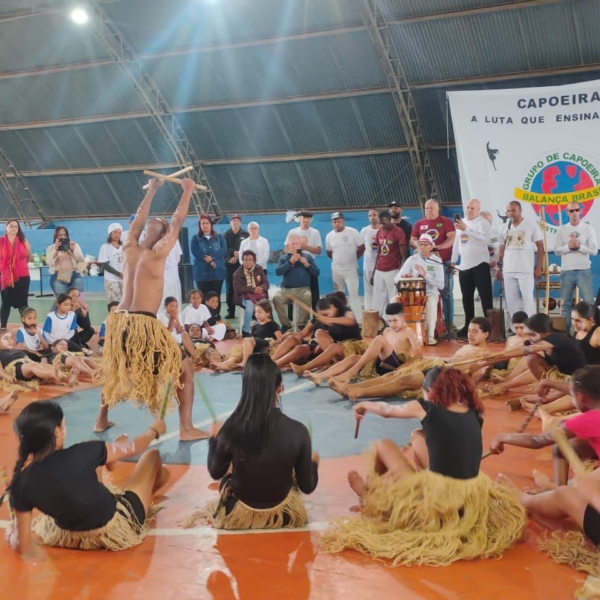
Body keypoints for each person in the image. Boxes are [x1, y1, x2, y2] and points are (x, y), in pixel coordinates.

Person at [321, 367, 526, 566]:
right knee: (417, 436)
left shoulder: (428, 407)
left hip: (440, 502)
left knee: (383, 446)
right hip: (468, 502)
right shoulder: (474, 412)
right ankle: (411, 488)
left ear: (430, 392)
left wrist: (364, 405)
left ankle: (371, 498)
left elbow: (388, 411)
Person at [95, 178, 207, 441]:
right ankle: (186, 429)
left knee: (115, 366)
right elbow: (177, 221)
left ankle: (101, 419)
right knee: (186, 368)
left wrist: (152, 191)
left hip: (118, 321)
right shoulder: (159, 253)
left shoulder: (128, 248)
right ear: (164, 236)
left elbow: (138, 219)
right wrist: (187, 191)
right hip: (142, 325)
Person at [2, 401, 169, 553]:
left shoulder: (20, 483)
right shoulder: (84, 452)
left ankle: (113, 465)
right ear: (57, 432)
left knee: (92, 458)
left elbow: (22, 545)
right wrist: (153, 431)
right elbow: (133, 447)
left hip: (66, 535)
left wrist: (11, 534)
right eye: (63, 426)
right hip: (112, 530)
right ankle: (147, 492)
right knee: (152, 456)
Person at [199, 354, 318, 529]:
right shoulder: (299, 431)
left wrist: (214, 440)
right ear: (280, 387)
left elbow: (216, 472)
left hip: (238, 513)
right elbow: (307, 486)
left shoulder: (231, 428)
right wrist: (313, 463)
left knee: (227, 475)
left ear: (246, 387)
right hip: (283, 514)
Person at [328, 317, 493, 402]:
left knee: (403, 381)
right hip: (439, 366)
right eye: (469, 330)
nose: (470, 334)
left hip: (447, 376)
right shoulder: (469, 347)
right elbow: (451, 360)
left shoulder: (485, 354)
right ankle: (350, 387)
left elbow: (475, 375)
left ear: (486, 334)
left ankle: (358, 392)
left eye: (475, 331)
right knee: (393, 375)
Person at [490, 366, 600, 489]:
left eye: (573, 396)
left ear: (580, 397)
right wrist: (549, 382)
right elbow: (579, 391)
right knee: (564, 446)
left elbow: (537, 441)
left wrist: (501, 437)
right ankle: (558, 490)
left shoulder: (587, 420)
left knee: (560, 442)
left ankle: (557, 493)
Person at [303, 302, 422, 387]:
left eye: (395, 320)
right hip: (381, 364)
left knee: (379, 339)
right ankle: (320, 377)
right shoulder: (387, 330)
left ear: (403, 318)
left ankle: (350, 373)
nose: (392, 324)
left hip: (396, 365)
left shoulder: (409, 332)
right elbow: (377, 349)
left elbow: (419, 354)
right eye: (389, 321)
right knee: (353, 357)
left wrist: (403, 368)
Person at [480, 313, 587, 396]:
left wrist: (505, 384)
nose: (529, 338)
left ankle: (548, 392)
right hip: (560, 376)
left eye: (532, 334)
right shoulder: (535, 341)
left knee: (530, 356)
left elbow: (527, 350)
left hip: (575, 379)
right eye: (528, 334)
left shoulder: (559, 337)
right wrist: (483, 364)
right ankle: (546, 390)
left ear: (543, 331)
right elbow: (519, 358)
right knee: (531, 358)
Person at [495, 201, 544, 324]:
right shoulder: (505, 227)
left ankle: (531, 327)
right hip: (508, 270)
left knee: (528, 299)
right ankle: (515, 328)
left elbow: (540, 246)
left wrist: (539, 267)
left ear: (520, 210)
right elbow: (501, 248)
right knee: (511, 301)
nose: (511, 213)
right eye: (508, 211)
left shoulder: (531, 225)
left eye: (513, 210)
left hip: (525, 270)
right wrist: (498, 267)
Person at [410, 199, 456, 331]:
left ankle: (449, 322)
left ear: (438, 209)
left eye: (431, 208)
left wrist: (438, 247)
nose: (429, 210)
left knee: (446, 292)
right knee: (426, 292)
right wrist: (420, 246)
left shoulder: (446, 221)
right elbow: (412, 240)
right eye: (427, 208)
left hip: (444, 261)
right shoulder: (419, 223)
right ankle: (430, 323)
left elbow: (452, 238)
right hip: (424, 263)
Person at [451, 199, 493, 339]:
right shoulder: (460, 222)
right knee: (466, 298)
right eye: (468, 207)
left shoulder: (483, 222)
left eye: (472, 208)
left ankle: (489, 327)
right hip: (464, 266)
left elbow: (484, 238)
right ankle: (468, 325)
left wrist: (466, 229)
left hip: (480, 264)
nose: (469, 210)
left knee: (485, 297)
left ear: (478, 210)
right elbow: (456, 243)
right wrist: (453, 261)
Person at [288, 295, 362, 375]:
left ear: (332, 307)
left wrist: (330, 320)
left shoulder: (345, 310)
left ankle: (304, 368)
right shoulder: (322, 318)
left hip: (351, 347)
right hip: (335, 347)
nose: (324, 317)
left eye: (326, 314)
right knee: (319, 332)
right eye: (322, 315)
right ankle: (334, 362)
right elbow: (304, 333)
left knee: (333, 347)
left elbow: (351, 321)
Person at [555, 202, 598, 330]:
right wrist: (568, 246)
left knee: (589, 303)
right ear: (567, 213)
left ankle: (590, 332)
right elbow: (557, 250)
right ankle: (565, 334)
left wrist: (580, 247)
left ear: (581, 211)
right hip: (566, 270)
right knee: (565, 305)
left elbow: (594, 251)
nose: (574, 213)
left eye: (576, 210)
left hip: (584, 270)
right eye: (571, 211)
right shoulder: (562, 230)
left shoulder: (588, 228)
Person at [396, 233, 444, 345]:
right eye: (420, 244)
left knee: (431, 303)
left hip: (430, 293)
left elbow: (441, 285)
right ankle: (398, 333)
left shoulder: (437, 261)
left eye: (425, 245)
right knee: (394, 301)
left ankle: (430, 336)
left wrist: (425, 275)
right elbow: (396, 279)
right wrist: (405, 278)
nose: (422, 247)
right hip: (412, 294)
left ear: (431, 246)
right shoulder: (412, 260)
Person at [211, 299, 282, 371]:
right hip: (256, 346)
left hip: (266, 345)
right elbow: (253, 340)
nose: (257, 314)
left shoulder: (273, 324)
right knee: (240, 349)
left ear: (268, 313)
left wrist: (273, 345)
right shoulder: (255, 326)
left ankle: (245, 362)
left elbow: (280, 339)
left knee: (246, 340)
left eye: (260, 312)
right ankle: (227, 364)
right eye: (255, 312)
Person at [273, 234, 320, 333]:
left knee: (307, 296)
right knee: (276, 298)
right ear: (289, 245)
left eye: (297, 244)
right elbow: (278, 272)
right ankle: (286, 325)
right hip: (287, 290)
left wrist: (307, 264)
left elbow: (317, 273)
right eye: (293, 244)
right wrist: (290, 262)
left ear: (300, 245)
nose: (295, 246)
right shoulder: (284, 258)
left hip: (303, 289)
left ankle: (302, 325)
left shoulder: (307, 257)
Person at [325, 212, 365, 325]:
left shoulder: (353, 232)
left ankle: (358, 320)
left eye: (339, 221)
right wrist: (339, 259)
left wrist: (353, 258)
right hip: (336, 270)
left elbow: (362, 247)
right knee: (338, 296)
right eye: (334, 222)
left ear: (343, 221)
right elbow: (329, 252)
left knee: (354, 294)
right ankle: (341, 318)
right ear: (332, 223)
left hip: (351, 269)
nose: (337, 223)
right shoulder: (329, 236)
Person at [371, 210, 408, 317]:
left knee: (393, 297)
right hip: (379, 269)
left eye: (384, 223)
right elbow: (379, 252)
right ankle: (376, 320)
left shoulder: (398, 232)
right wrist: (374, 272)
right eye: (380, 223)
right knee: (377, 298)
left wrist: (401, 273)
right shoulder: (379, 232)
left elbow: (404, 254)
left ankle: (391, 320)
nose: (382, 225)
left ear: (389, 220)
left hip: (393, 269)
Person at [284, 210, 322, 309]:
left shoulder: (315, 232)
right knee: (291, 291)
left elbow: (319, 250)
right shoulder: (292, 232)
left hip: (309, 264)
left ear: (311, 220)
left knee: (314, 293)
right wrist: (294, 254)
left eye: (308, 218)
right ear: (299, 218)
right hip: (295, 264)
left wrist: (305, 247)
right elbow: (286, 249)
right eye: (304, 218)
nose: (306, 220)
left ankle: (316, 316)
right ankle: (291, 316)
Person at [0, 330, 66, 387]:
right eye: (6, 339)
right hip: (15, 369)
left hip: (25, 364)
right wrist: (8, 376)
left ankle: (66, 378)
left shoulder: (18, 351)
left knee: (46, 366)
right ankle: (53, 374)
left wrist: (40, 365)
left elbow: (28, 360)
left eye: (11, 338)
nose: (10, 341)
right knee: (32, 366)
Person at [190, 214, 227, 312]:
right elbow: (195, 251)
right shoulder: (195, 238)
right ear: (200, 225)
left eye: (207, 223)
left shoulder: (219, 237)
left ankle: (216, 317)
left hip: (218, 272)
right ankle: (205, 318)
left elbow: (224, 249)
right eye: (203, 223)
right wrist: (206, 259)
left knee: (216, 296)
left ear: (211, 224)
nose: (205, 225)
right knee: (204, 297)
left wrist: (212, 257)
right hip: (201, 274)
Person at [0, 220, 32, 329]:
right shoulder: (0, 241)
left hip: (22, 275)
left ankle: (27, 326)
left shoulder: (24, 241)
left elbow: (29, 256)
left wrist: (18, 266)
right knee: (5, 302)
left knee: (23, 302)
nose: (14, 228)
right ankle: (3, 326)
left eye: (16, 226)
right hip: (6, 277)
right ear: (6, 228)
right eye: (11, 226)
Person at [232, 250, 269, 337]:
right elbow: (238, 289)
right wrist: (252, 290)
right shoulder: (237, 274)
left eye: (250, 260)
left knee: (265, 305)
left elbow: (266, 283)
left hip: (259, 295)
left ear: (254, 261)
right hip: (243, 297)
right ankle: (245, 330)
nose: (247, 262)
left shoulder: (259, 269)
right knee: (250, 306)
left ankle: (266, 328)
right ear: (242, 260)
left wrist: (261, 288)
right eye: (245, 259)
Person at [45, 226, 85, 296]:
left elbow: (81, 260)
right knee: (63, 299)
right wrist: (56, 250)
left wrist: (73, 250)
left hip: (74, 274)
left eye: (64, 235)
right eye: (60, 235)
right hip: (58, 275)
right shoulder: (50, 248)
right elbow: (49, 262)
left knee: (79, 298)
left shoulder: (74, 245)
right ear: (56, 236)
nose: (63, 237)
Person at [223, 214, 249, 320]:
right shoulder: (225, 235)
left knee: (243, 288)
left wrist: (239, 255)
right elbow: (223, 249)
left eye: (237, 220)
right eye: (233, 221)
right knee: (230, 289)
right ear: (230, 223)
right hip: (229, 265)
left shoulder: (245, 234)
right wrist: (233, 253)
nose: (235, 222)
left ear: (240, 223)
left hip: (242, 265)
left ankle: (246, 310)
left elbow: (248, 248)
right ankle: (231, 311)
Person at [158, 296, 198, 361]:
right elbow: (167, 333)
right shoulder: (160, 316)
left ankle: (196, 356)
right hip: (167, 337)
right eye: (172, 306)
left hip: (177, 335)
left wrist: (176, 318)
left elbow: (180, 331)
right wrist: (172, 319)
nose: (175, 308)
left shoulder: (178, 315)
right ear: (165, 307)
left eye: (176, 306)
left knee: (185, 333)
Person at [98, 223, 124, 303]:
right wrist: (118, 274)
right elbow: (105, 265)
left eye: (119, 233)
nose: (117, 235)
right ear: (110, 233)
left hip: (124, 279)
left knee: (125, 303)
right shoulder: (105, 247)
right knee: (114, 303)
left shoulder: (124, 246)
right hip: (111, 280)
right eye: (115, 232)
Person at [360, 209, 380, 311]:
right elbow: (361, 247)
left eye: (374, 215)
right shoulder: (364, 230)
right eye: (370, 215)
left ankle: (381, 313)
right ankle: (369, 312)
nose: (372, 217)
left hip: (381, 266)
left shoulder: (383, 230)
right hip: (368, 266)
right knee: (368, 290)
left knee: (380, 290)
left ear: (379, 216)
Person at [160, 239, 183, 309]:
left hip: (173, 273)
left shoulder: (174, 240)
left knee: (174, 292)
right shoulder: (154, 239)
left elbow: (177, 257)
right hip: (160, 272)